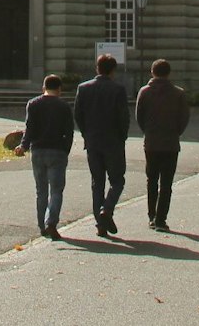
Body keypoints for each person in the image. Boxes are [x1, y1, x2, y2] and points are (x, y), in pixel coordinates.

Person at [72, 53, 130, 236]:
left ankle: (100, 225)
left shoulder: (83, 88)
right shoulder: (118, 89)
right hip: (113, 142)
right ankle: (107, 209)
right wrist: (122, 137)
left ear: (97, 68)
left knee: (97, 183)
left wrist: (86, 134)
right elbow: (124, 117)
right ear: (113, 70)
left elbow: (78, 115)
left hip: (93, 142)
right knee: (118, 181)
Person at [16, 73, 75, 239]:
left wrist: (24, 146)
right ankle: (51, 222)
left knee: (41, 190)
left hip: (38, 150)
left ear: (43, 88)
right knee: (56, 190)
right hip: (57, 151)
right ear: (59, 89)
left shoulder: (33, 104)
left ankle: (41, 225)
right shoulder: (64, 106)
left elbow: (30, 128)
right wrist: (65, 150)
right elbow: (69, 132)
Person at [135, 58, 191, 231]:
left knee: (151, 180)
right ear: (168, 74)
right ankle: (161, 219)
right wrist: (176, 132)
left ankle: (151, 216)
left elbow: (139, 117)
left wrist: (148, 132)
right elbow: (184, 118)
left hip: (151, 142)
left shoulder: (144, 92)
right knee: (166, 183)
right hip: (171, 143)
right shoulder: (178, 93)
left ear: (152, 72)